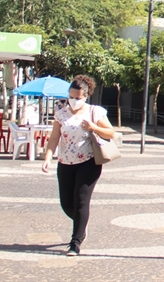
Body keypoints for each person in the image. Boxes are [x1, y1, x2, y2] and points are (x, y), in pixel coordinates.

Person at [41, 75, 114, 256]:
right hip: (65, 163)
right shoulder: (61, 114)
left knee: (81, 201)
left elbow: (110, 132)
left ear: (86, 96)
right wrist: (48, 157)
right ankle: (81, 224)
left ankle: (76, 242)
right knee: (66, 203)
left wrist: (93, 127)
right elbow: (54, 138)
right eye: (71, 97)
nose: (73, 101)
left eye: (78, 98)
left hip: (88, 162)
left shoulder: (94, 112)